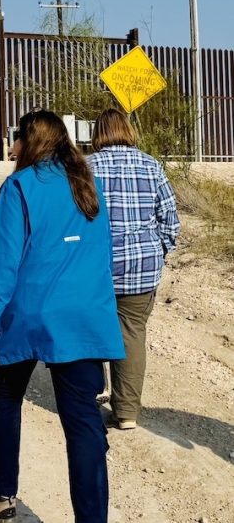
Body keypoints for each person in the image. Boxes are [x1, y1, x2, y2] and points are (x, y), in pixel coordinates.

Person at [0, 109, 125, 523]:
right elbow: (100, 257)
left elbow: (0, 264)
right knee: (84, 425)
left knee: (4, 399)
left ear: (28, 141)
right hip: (83, 322)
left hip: (28, 318)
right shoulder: (87, 186)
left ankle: (0, 499)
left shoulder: (20, 187)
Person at [87, 107, 180, 430]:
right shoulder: (151, 165)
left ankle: (89, 395)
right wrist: (156, 252)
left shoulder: (86, 167)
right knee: (131, 334)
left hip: (95, 269)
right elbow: (170, 220)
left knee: (92, 330)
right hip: (142, 267)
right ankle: (126, 412)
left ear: (97, 133)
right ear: (128, 130)